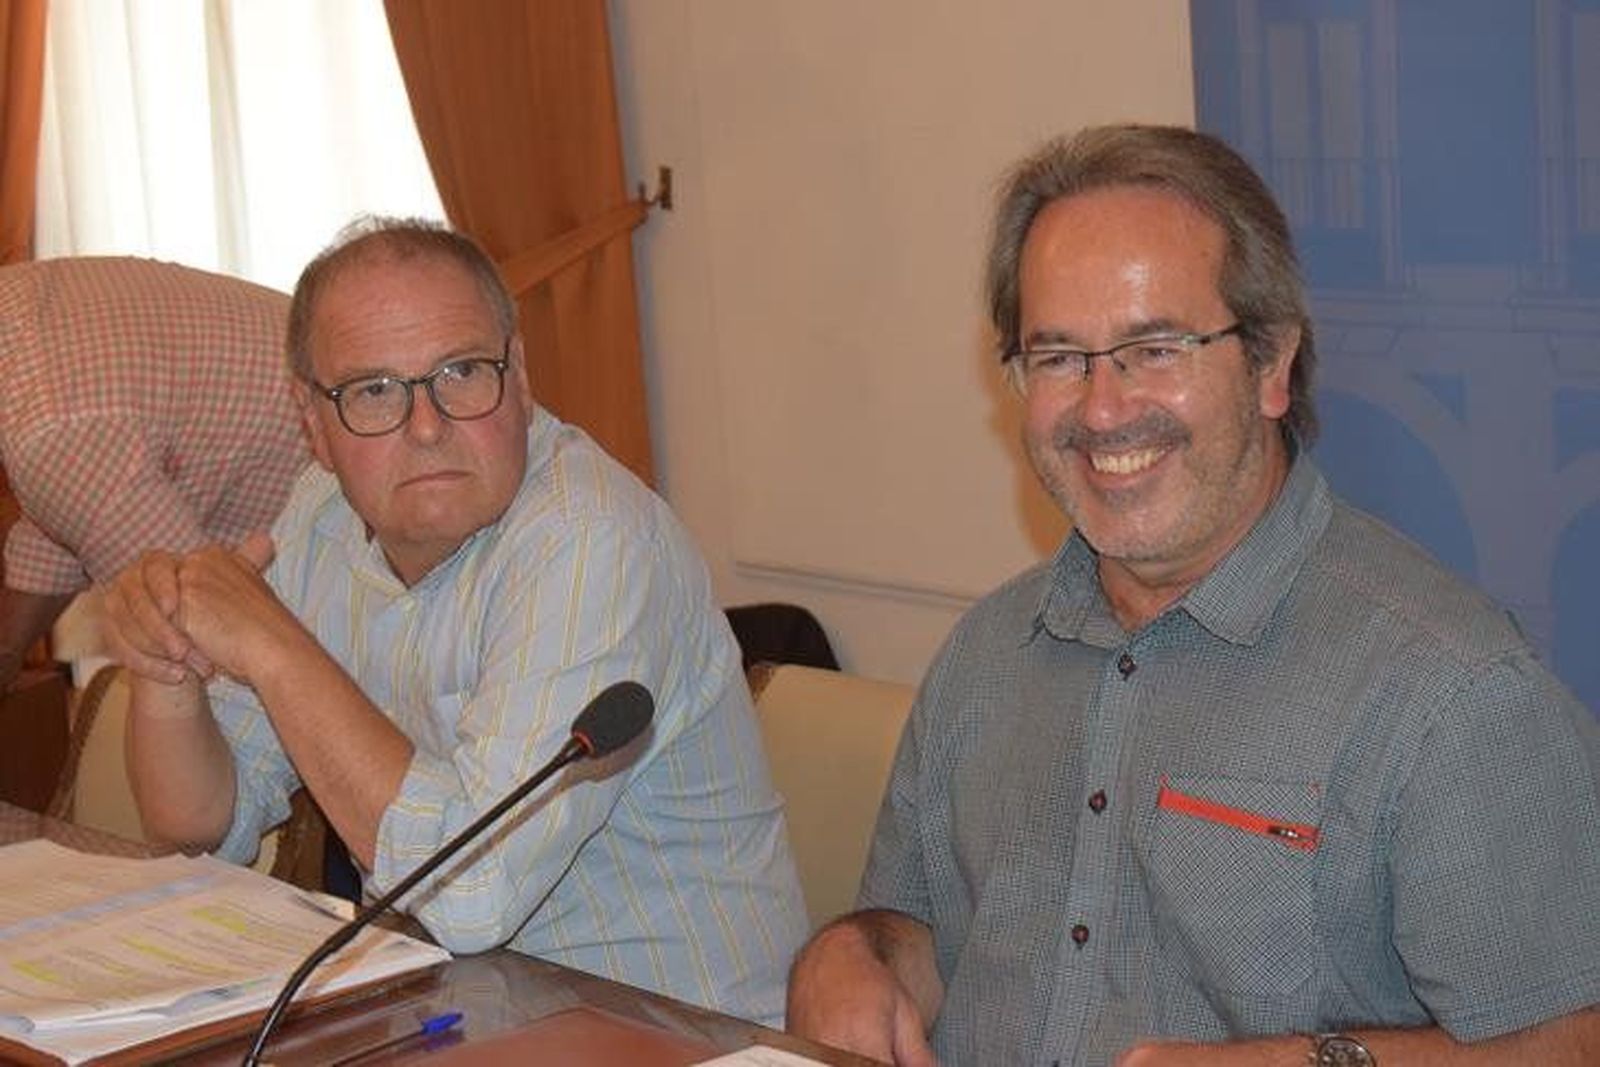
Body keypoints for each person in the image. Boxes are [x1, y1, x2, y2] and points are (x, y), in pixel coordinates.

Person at [786, 125, 1600, 1066]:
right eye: (1058, 357)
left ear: (1271, 365)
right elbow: (925, 932)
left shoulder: (1451, 693)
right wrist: (850, 953)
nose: (1101, 408)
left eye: (1155, 347)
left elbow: (1576, 1039)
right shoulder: (986, 652)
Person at [103, 218, 808, 1025]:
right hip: (468, 1018)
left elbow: (471, 892)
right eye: (373, 390)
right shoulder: (321, 514)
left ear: (522, 380)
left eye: (463, 372)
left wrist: (272, 642)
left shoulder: (589, 541)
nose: (428, 425)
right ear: (312, 423)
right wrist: (165, 671)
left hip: (678, 1033)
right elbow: (201, 827)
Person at [0, 256, 309, 692]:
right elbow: (66, 514)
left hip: (355, 512)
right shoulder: (20, 320)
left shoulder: (49, 429)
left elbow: (193, 627)